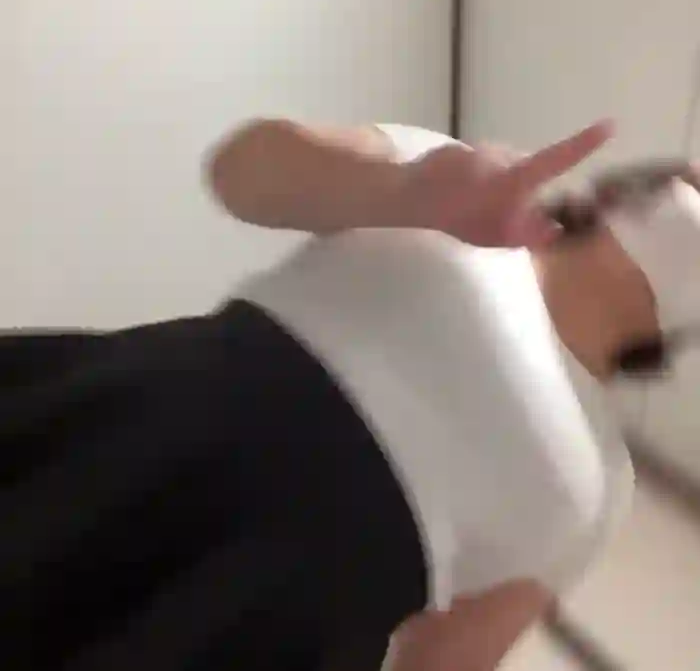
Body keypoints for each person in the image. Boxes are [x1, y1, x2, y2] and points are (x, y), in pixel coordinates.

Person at [0, 115, 687, 671]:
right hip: (132, 430)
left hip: (253, 625)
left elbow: (449, 662)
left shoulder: (604, 484)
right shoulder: (460, 186)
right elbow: (237, 172)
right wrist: (405, 188)